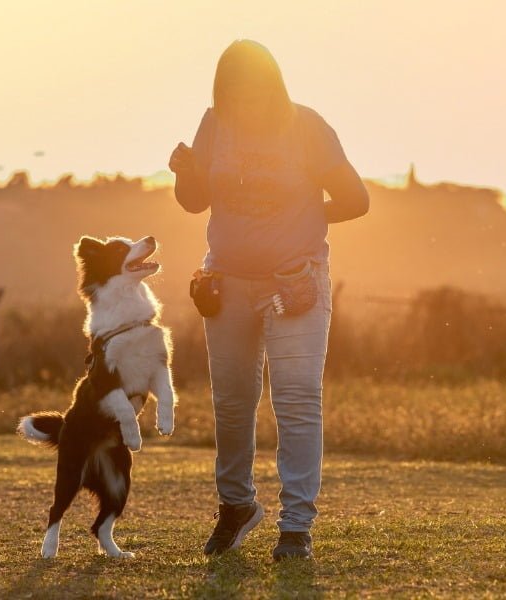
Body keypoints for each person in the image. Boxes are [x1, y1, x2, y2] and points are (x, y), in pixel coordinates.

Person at [168, 39, 369, 561]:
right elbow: (194, 202)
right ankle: (236, 506)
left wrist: (305, 216)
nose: (242, 105)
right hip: (227, 282)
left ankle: (296, 527)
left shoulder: (307, 127)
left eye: (252, 94)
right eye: (232, 95)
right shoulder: (214, 123)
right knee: (232, 405)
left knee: (296, 400)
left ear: (273, 88)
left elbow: (357, 199)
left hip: (295, 282)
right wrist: (184, 174)